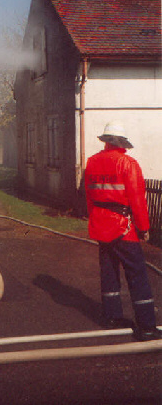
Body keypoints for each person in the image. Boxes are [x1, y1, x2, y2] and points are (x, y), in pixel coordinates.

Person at [84, 121, 161, 341]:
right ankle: (146, 327)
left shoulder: (92, 162)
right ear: (122, 142)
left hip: (100, 224)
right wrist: (144, 228)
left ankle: (112, 317)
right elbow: (137, 200)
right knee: (137, 275)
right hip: (123, 228)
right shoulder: (128, 163)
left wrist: (96, 220)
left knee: (108, 272)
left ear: (106, 141)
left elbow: (89, 197)